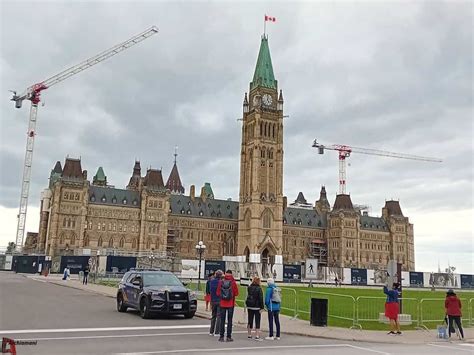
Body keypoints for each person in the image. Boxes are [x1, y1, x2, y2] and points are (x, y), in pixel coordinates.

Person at [216, 270, 239, 342]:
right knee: (230, 321)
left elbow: (218, 293)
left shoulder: (221, 282)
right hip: (230, 303)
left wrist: (223, 296)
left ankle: (221, 336)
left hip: (222, 303)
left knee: (222, 320)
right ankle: (229, 336)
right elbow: (236, 293)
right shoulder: (233, 282)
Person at [246, 276, 264, 340]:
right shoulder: (259, 289)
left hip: (250, 305)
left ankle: (249, 334)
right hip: (257, 306)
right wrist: (262, 307)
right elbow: (261, 298)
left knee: (250, 320)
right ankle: (257, 335)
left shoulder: (249, 287)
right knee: (257, 320)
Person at [208, 270, 222, 336]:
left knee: (213, 316)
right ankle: (217, 332)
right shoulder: (221, 282)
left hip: (213, 300)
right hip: (219, 300)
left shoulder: (212, 281)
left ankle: (211, 331)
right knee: (219, 316)